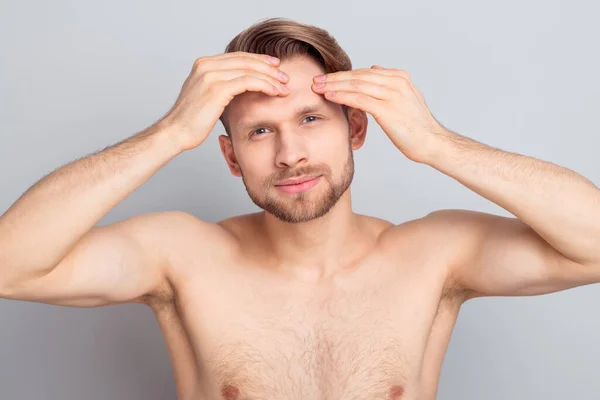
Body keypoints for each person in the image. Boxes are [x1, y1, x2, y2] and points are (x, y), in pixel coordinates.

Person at [1, 16, 599, 400]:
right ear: (231, 158)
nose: (289, 154)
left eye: (310, 119)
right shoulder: (182, 258)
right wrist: (169, 133)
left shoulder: (431, 257)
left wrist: (437, 144)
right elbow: (9, 265)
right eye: (259, 132)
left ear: (356, 129)